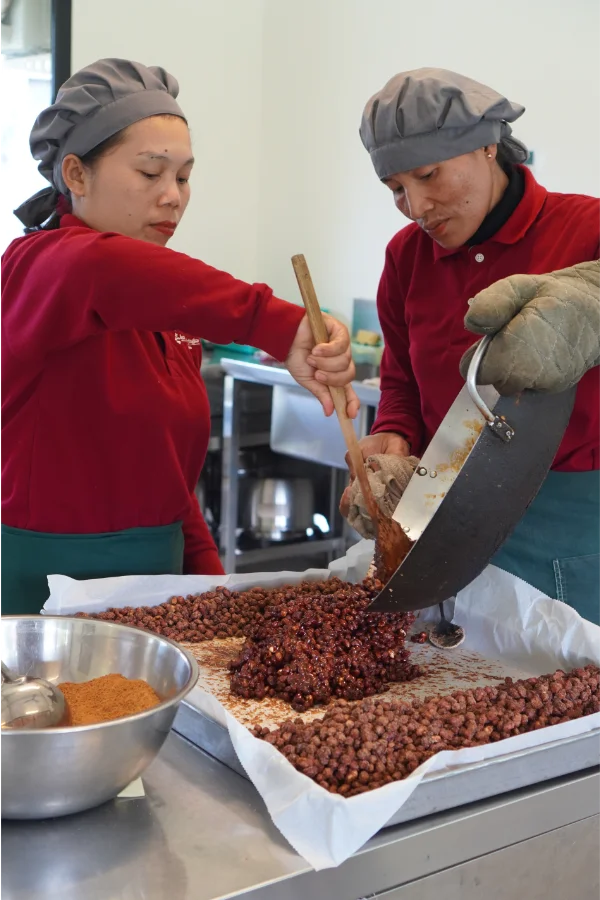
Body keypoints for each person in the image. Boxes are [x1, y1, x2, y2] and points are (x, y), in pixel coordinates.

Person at [0, 58, 357, 615]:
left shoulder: (168, 311)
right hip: (41, 589)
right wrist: (280, 325)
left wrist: (211, 588)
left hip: (154, 579)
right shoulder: (38, 265)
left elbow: (172, 483)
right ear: (76, 175)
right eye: (151, 173)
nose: (173, 196)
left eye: (184, 177)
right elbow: (102, 269)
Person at [342, 67, 600, 623]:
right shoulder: (406, 257)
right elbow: (401, 380)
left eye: (428, 175)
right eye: (396, 189)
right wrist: (393, 433)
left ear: (487, 146)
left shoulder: (586, 229)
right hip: (438, 507)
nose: (416, 207)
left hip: (567, 520)